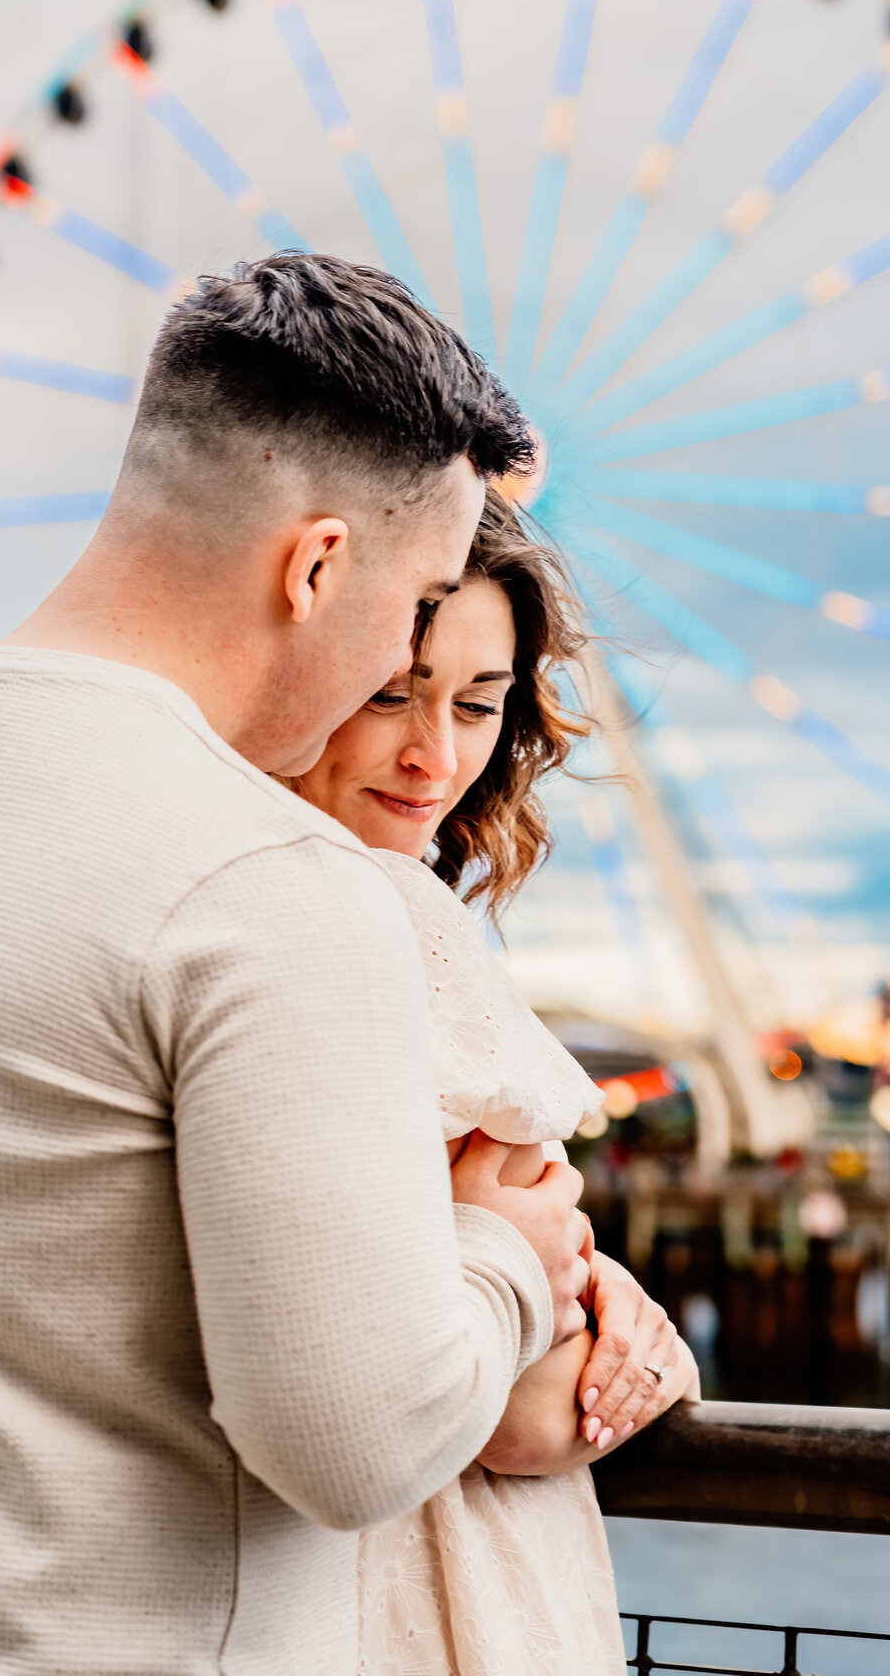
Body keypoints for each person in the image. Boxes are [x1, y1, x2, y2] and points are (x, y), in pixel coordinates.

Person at [0, 256, 596, 1675]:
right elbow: (354, 1446)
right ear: (317, 567)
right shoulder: (269, 887)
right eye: (414, 598)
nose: (401, 656)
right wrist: (504, 1257)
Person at [293, 488, 700, 1674]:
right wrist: (650, 1346)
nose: (436, 756)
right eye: (388, 693)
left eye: (479, 705)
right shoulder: (389, 919)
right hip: (437, 1597)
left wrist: (575, 1273)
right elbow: (525, 1415)